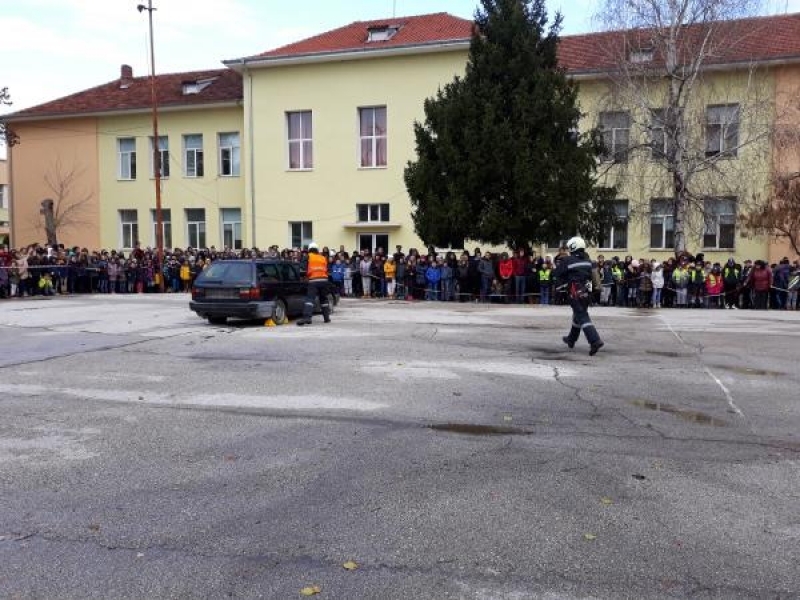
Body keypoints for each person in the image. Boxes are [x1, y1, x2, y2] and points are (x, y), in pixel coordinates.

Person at [554, 236, 604, 356]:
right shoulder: (588, 261)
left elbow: (557, 274)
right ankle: (571, 339)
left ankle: (595, 340)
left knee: (582, 316)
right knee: (578, 315)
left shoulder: (568, 260)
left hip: (575, 291)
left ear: (573, 246)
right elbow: (593, 278)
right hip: (587, 290)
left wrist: (559, 287)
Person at [296, 242, 331, 326]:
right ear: (317, 249)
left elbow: (302, 269)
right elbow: (327, 269)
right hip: (324, 280)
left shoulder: (308, 256)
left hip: (313, 281)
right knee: (324, 299)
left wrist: (302, 276)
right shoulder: (323, 257)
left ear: (309, 249)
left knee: (309, 300)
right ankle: (326, 318)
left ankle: (307, 318)